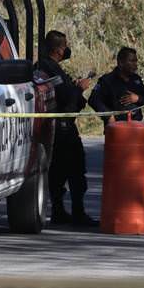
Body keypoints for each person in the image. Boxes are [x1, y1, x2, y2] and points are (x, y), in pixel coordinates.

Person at [36, 30, 96, 226]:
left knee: (60, 171)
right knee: (74, 170)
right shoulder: (48, 69)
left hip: (60, 126)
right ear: (59, 49)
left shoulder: (51, 67)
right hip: (61, 128)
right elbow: (65, 98)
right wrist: (78, 89)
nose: (67, 49)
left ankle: (62, 210)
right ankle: (73, 211)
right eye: (65, 45)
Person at [89, 47, 144, 126]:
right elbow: (93, 100)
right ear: (121, 62)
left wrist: (138, 98)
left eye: (136, 61)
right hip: (115, 127)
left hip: (136, 127)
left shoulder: (136, 80)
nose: (135, 64)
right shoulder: (107, 80)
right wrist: (108, 116)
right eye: (131, 61)